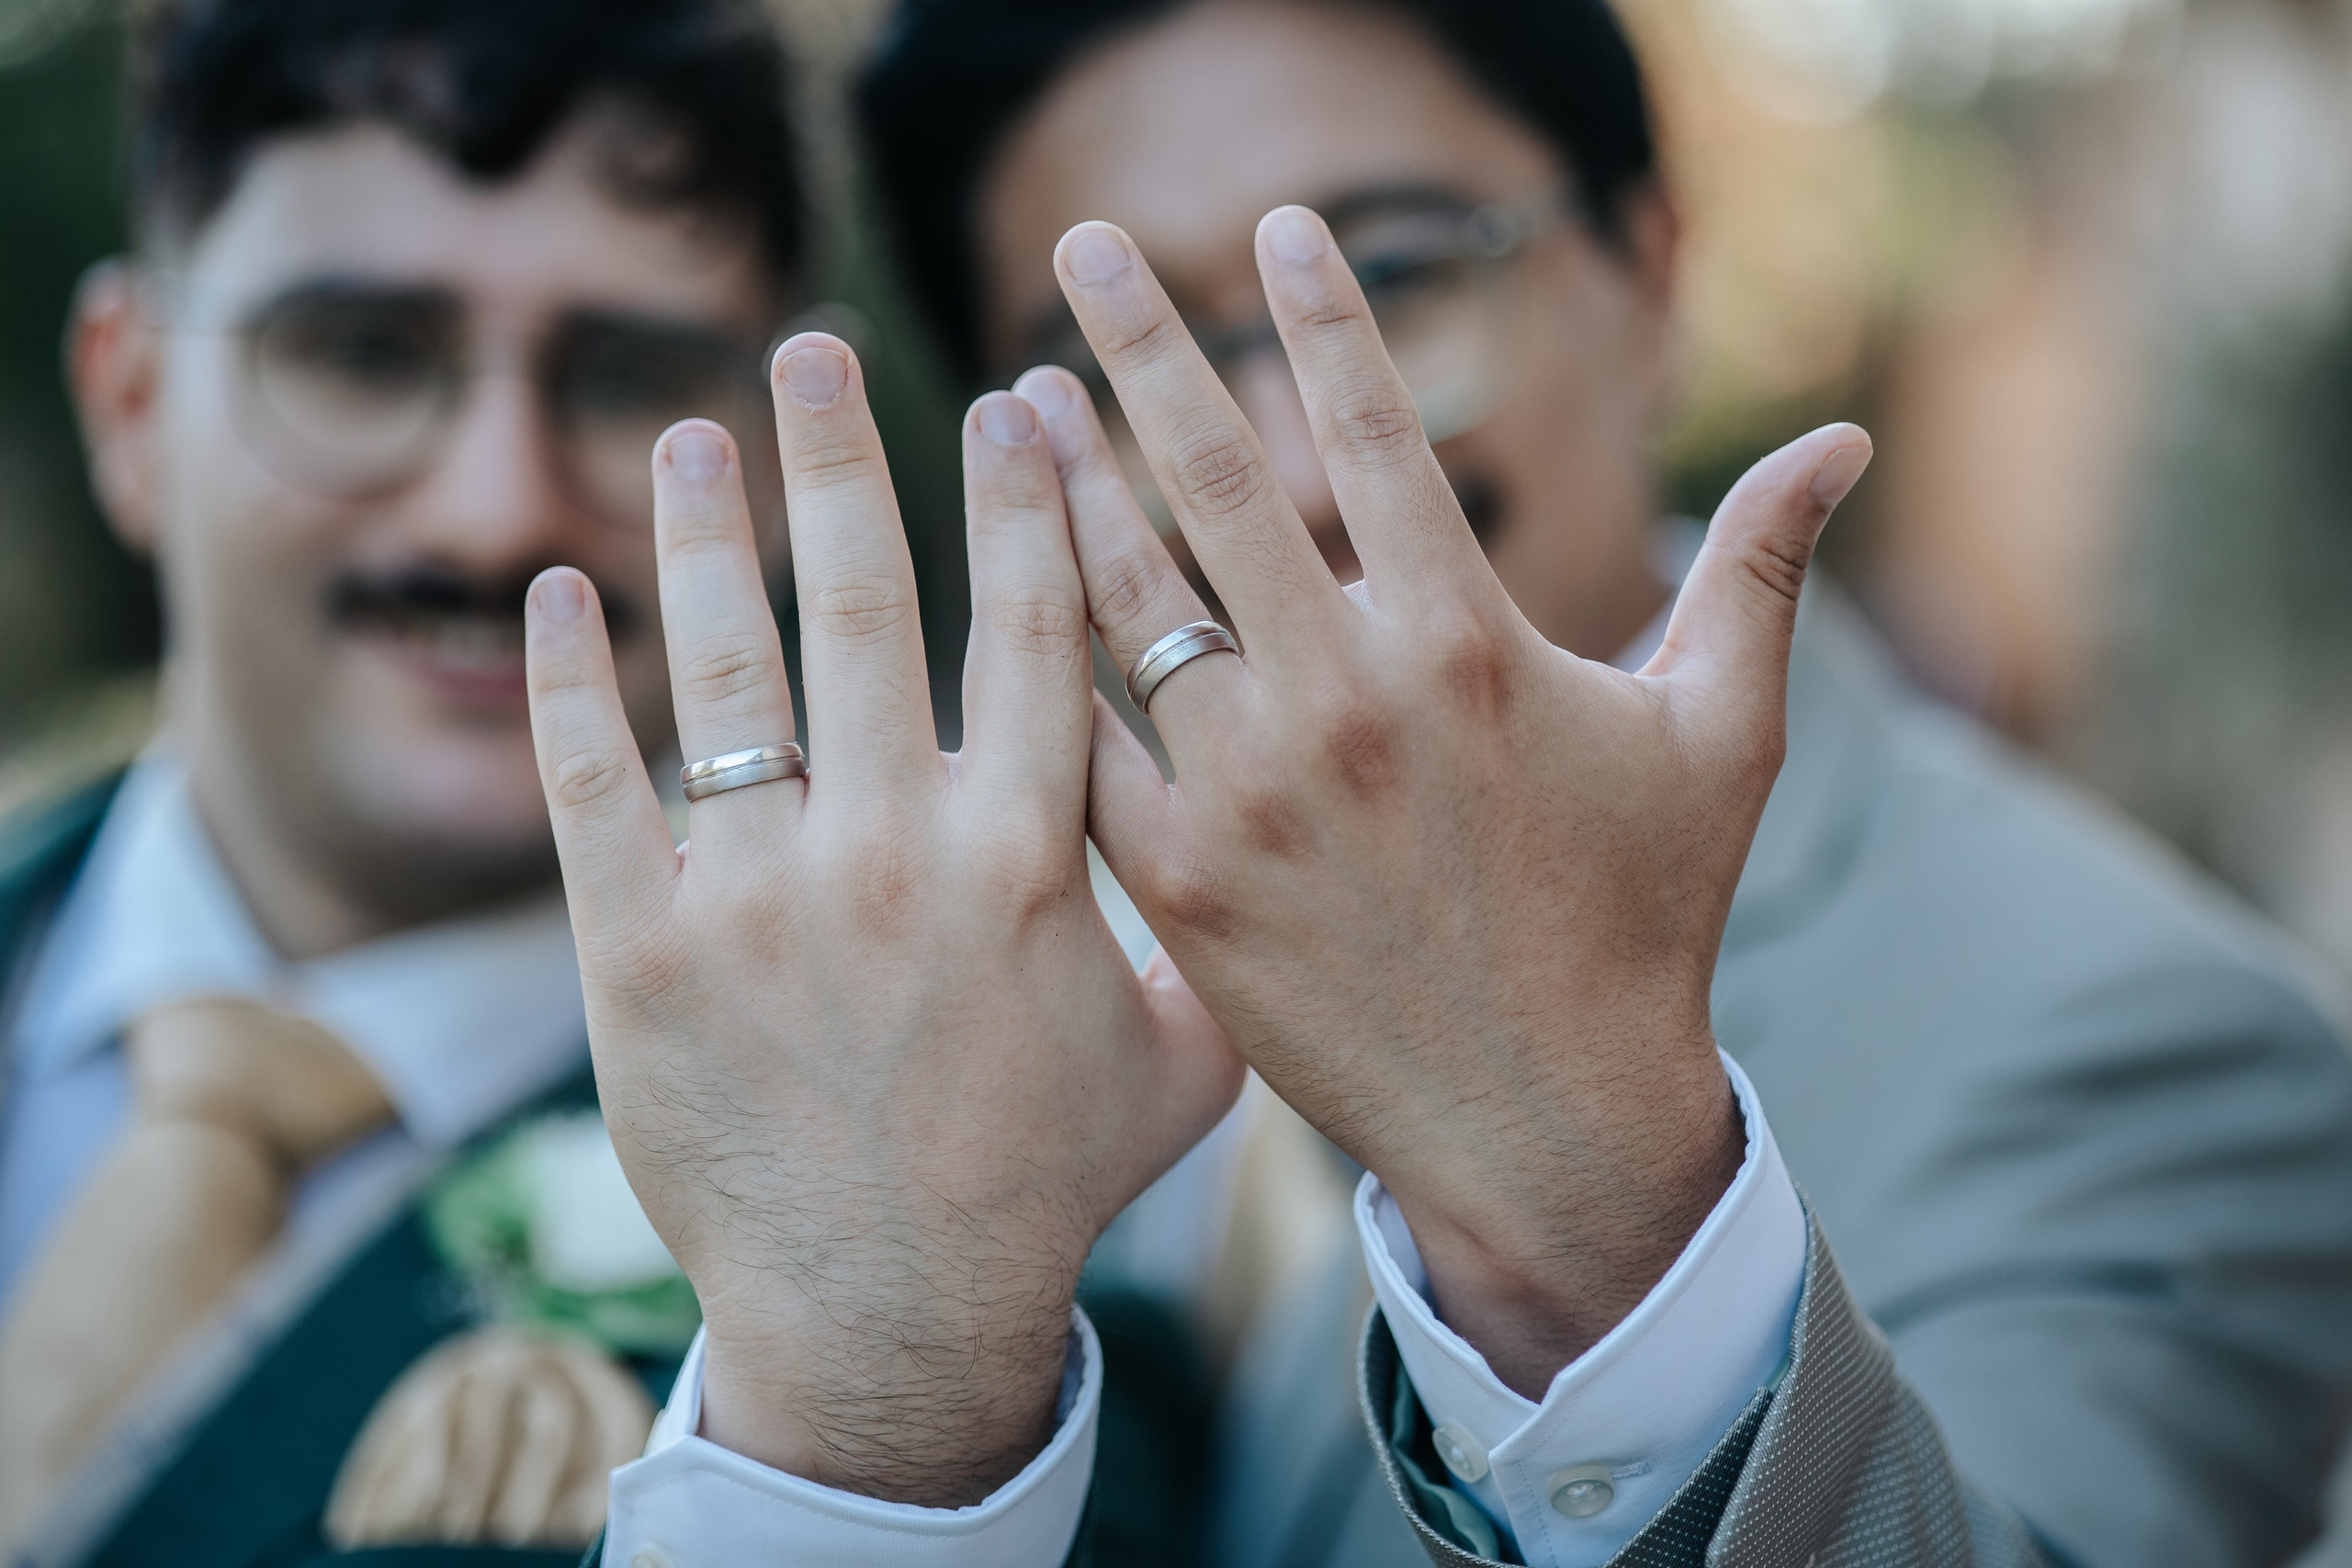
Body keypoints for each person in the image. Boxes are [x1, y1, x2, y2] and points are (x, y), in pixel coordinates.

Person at [684, 0, 2352, 1563]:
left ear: (1650, 278)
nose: (1265, 463)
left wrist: (1586, 1225)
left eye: (1389, 282)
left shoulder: (2151, 1040)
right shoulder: (936, 988)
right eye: (1116, 369)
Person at [0, 0, 821, 1558]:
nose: (492, 516)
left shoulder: (948, 1239)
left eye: (627, 374)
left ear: (775, 463)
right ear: (127, 404)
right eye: (365, 354)